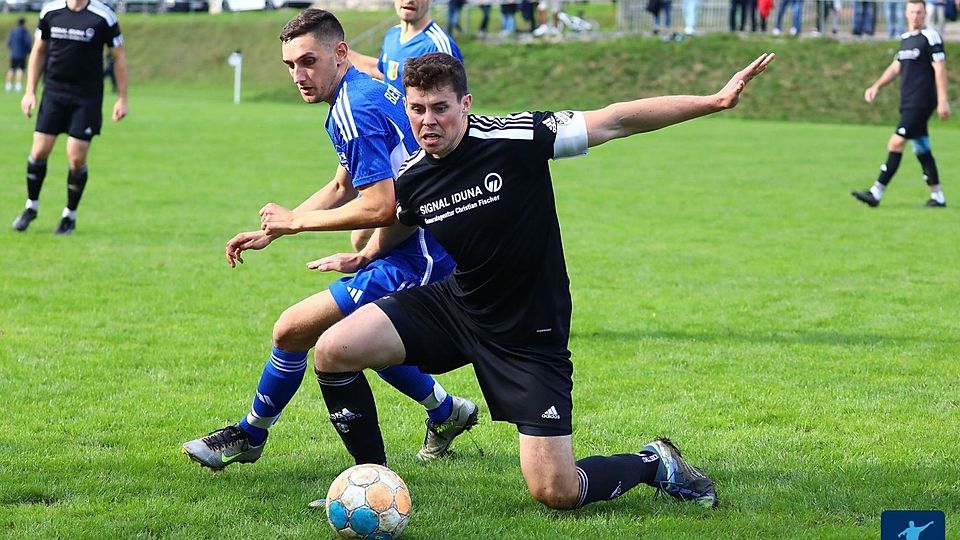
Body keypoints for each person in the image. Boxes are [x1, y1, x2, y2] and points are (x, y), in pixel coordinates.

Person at [307, 50, 775, 511]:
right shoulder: (413, 175)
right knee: (333, 350)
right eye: (417, 109)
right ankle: (373, 483)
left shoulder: (517, 137)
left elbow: (616, 120)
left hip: (529, 331)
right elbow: (402, 219)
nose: (427, 121)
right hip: (460, 307)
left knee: (556, 491)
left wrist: (713, 101)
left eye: (440, 108)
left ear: (465, 104)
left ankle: (655, 463)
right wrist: (366, 254)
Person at [181, 9, 478, 471]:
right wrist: (273, 230)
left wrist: (298, 224)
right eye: (290, 65)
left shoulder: (353, 108)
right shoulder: (363, 90)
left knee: (296, 331)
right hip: (414, 246)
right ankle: (446, 411)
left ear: (340, 53)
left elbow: (380, 206)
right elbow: (343, 185)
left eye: (308, 61)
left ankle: (254, 435)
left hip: (416, 255)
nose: (299, 75)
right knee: (358, 340)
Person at [346, 0, 462, 251]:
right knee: (363, 238)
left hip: (423, 154)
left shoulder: (437, 44)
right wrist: (333, 50)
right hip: (394, 147)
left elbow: (456, 104)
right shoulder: (392, 36)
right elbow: (383, 70)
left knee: (377, 237)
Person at [11, 0, 127, 235]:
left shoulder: (103, 16)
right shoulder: (50, 12)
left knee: (76, 157)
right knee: (39, 150)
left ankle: (69, 216)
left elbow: (119, 57)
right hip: (54, 92)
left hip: (86, 97)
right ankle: (31, 206)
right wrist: (30, 91)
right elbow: (39, 51)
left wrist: (122, 98)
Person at [853, 0, 949, 208]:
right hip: (907, 101)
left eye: (919, 12)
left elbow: (940, 68)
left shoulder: (930, 37)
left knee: (896, 143)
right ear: (906, 14)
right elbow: (896, 67)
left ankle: (876, 192)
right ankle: (938, 196)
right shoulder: (906, 39)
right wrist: (876, 86)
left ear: (925, 14)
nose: (916, 16)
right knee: (922, 147)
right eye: (912, 12)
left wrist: (943, 100)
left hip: (921, 101)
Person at [5, 17, 32, 93]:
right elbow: (27, 43)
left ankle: (8, 85)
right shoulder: (24, 32)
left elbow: (9, 41)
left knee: (11, 68)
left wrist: (12, 49)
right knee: (20, 69)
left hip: (14, 53)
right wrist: (29, 51)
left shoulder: (13, 31)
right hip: (21, 54)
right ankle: (18, 85)